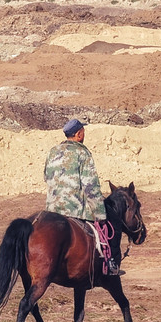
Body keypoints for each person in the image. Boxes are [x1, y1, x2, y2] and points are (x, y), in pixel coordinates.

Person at [44, 118, 121, 275]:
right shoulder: (82, 152)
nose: (84, 135)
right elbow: (90, 186)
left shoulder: (53, 151)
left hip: (52, 209)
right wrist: (100, 214)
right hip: (76, 210)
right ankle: (110, 263)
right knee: (107, 229)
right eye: (83, 132)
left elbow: (46, 176)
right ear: (79, 134)